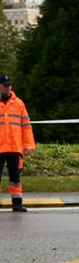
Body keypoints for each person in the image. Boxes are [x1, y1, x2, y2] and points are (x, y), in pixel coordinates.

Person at [0, 74, 35, 213]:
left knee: (15, 177)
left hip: (14, 146)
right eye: (5, 85)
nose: (7, 88)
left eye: (9, 85)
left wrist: (28, 146)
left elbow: (26, 126)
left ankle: (17, 203)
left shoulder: (19, 103)